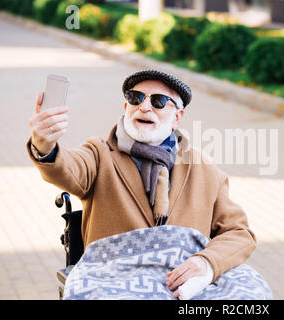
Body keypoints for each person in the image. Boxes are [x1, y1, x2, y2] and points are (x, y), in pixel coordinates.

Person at [27, 69, 256, 299]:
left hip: (182, 289)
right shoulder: (99, 154)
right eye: (136, 98)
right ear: (126, 108)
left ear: (178, 117)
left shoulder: (203, 168)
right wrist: (44, 145)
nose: (145, 107)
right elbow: (68, 168)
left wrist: (206, 263)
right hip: (114, 285)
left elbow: (239, 232)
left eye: (158, 101)